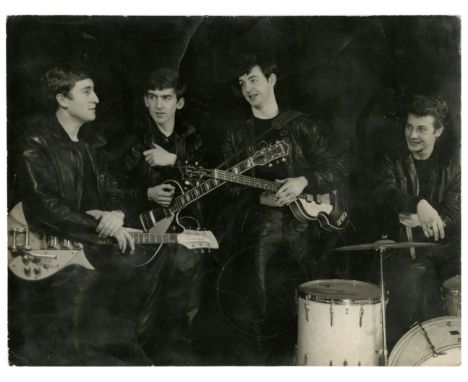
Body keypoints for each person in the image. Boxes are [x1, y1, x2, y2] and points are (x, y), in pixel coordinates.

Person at [11, 63, 151, 365]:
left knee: (148, 260)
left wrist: (116, 213)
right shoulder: (35, 141)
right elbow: (42, 206)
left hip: (83, 248)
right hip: (44, 256)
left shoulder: (89, 147)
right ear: (63, 99)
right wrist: (104, 227)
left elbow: (115, 192)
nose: (96, 98)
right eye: (87, 91)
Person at [220, 53, 345, 364]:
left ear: (271, 80)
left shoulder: (300, 126)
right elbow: (227, 187)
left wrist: (304, 180)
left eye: (253, 79)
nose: (248, 88)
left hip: (308, 230)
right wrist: (257, 198)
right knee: (262, 305)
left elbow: (336, 169)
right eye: (242, 83)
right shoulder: (238, 135)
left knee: (308, 303)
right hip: (261, 229)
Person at [117, 68, 206, 364]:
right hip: (145, 237)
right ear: (145, 100)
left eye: (167, 98)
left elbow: (215, 182)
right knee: (141, 317)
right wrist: (146, 194)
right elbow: (108, 191)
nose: (159, 105)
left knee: (184, 313)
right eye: (153, 97)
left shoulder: (193, 140)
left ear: (178, 103)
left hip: (185, 237)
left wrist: (176, 162)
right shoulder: (131, 140)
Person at [373, 94, 460, 350]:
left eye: (421, 129)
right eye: (409, 127)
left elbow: (455, 216)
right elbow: (385, 193)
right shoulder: (393, 160)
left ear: (439, 131)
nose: (412, 135)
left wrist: (421, 221)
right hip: (408, 252)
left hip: (449, 252)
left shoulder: (454, 166)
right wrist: (419, 204)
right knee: (410, 293)